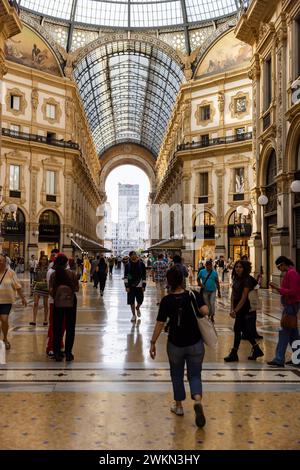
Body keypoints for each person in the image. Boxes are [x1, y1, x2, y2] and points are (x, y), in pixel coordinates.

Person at [149, 266, 208, 427]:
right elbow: (205, 311)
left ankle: (179, 406)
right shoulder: (192, 295)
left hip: (175, 344)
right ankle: (197, 400)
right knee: (195, 375)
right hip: (195, 343)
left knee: (176, 375)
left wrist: (153, 342)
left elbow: (160, 323)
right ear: (182, 279)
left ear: (168, 281)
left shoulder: (167, 301)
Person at [224, 260, 264, 362]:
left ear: (244, 268)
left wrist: (236, 310)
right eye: (236, 267)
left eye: (240, 267)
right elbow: (233, 294)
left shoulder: (247, 279)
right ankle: (256, 349)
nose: (238, 268)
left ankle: (234, 353)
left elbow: (244, 296)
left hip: (244, 306)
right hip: (237, 305)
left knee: (237, 328)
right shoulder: (236, 278)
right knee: (244, 329)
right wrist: (232, 308)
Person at [267, 256, 300, 367]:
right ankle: (298, 358)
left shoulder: (292, 274)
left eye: (279, 266)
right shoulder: (290, 273)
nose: (279, 269)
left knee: (284, 333)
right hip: (290, 305)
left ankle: (279, 358)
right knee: (293, 335)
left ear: (283, 264)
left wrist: (277, 288)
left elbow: (293, 291)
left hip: (291, 306)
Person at [49, 254, 79, 362]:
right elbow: (76, 288)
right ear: (66, 263)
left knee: (57, 327)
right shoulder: (72, 274)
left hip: (58, 303)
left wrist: (59, 297)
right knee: (70, 327)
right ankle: (68, 353)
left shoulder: (54, 274)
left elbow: (51, 291)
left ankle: (57, 352)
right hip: (71, 302)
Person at [0, 253, 27, 350]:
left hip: (6, 301)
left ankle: (5, 338)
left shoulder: (11, 273)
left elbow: (18, 286)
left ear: (5, 262)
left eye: (1, 261)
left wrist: (23, 298)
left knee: (4, 320)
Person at [124, 251, 146, 322]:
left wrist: (144, 285)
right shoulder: (128, 265)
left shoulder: (141, 264)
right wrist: (126, 286)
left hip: (139, 285)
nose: (134, 256)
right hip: (131, 286)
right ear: (130, 256)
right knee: (131, 301)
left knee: (140, 300)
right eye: (132, 255)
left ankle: (138, 307)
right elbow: (126, 276)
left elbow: (144, 276)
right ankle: (133, 315)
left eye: (135, 254)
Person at [29, 255, 49, 326]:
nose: (43, 261)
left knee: (45, 304)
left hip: (45, 287)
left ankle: (45, 319)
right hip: (37, 287)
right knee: (35, 303)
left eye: (45, 260)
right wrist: (32, 287)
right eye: (42, 259)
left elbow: (49, 278)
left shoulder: (48, 269)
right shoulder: (37, 268)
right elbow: (35, 278)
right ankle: (34, 320)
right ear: (40, 260)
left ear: (47, 261)